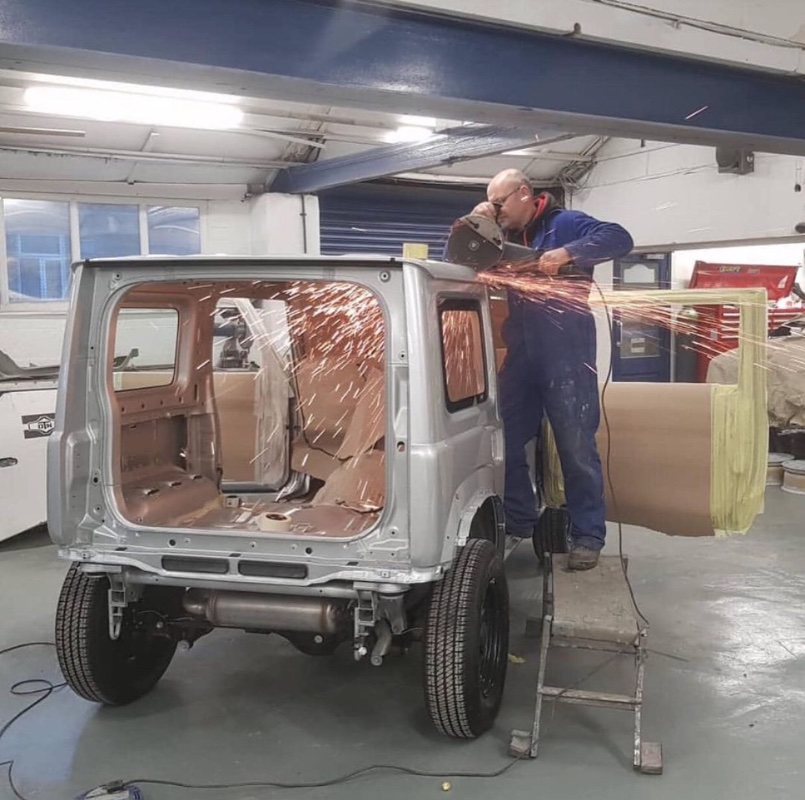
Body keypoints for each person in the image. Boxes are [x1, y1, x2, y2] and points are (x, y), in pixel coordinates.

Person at [474, 169, 633, 570]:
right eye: (492, 205)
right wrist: (476, 221)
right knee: (504, 439)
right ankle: (519, 519)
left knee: (575, 448)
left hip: (567, 354)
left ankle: (587, 535)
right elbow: (460, 257)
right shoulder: (501, 236)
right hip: (523, 354)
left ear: (524, 193)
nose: (498, 211)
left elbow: (620, 238)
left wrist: (568, 253)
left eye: (499, 203)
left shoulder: (566, 223)